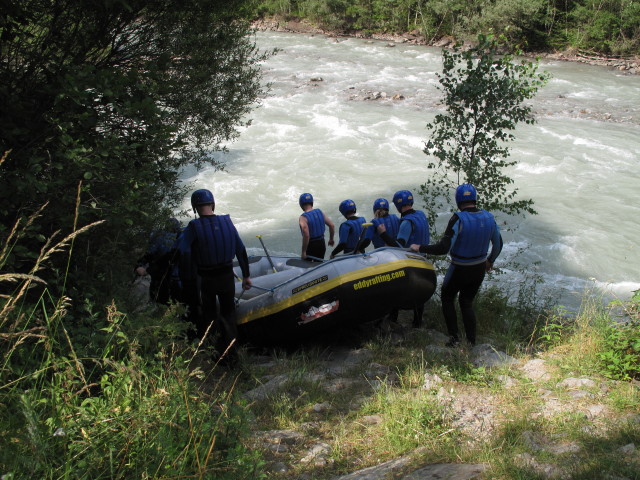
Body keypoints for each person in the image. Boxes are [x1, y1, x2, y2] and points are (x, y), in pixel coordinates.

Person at [410, 184, 503, 347]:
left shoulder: (458, 219)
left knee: (447, 297)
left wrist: (420, 247)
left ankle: (454, 338)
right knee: (466, 302)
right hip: (479, 268)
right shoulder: (489, 217)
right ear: (474, 198)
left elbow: (443, 248)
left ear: (458, 200)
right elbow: (498, 244)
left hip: (460, 268)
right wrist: (490, 261)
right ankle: (471, 341)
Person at [178, 188, 252, 361]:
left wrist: (187, 278)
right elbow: (240, 250)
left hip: (207, 279)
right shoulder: (227, 222)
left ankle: (217, 355)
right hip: (227, 278)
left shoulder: (193, 227)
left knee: (209, 315)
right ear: (213, 203)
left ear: (195, 207)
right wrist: (247, 276)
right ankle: (233, 355)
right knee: (228, 314)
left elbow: (183, 252)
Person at [377, 190, 430, 326]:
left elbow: (398, 246)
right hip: (424, 259)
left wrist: (383, 234)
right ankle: (418, 322)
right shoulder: (421, 214)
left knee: (396, 288)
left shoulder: (406, 222)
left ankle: (393, 318)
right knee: (420, 292)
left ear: (397, 205)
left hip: (412, 261)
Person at [298, 193, 335, 260]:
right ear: (312, 202)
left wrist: (303, 252)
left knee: (307, 265)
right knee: (319, 264)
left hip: (311, 246)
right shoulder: (319, 212)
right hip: (322, 244)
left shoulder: (303, 218)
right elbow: (332, 225)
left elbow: (306, 235)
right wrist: (331, 239)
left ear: (301, 204)